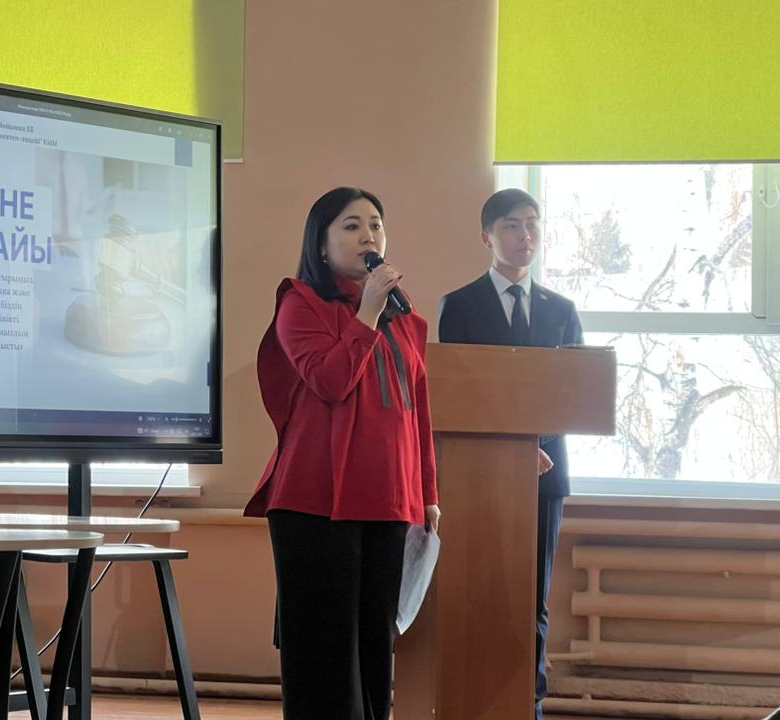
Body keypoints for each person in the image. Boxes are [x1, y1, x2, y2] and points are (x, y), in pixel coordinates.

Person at [245, 186, 440, 719]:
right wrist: (367, 314)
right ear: (321, 244)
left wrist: (427, 492)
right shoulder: (299, 304)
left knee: (375, 648)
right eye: (351, 226)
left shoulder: (407, 321)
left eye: (375, 224)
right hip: (316, 502)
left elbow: (417, 413)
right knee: (326, 654)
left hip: (388, 500)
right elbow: (331, 382)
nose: (368, 236)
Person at [437, 188, 584, 720]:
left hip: (546, 474)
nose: (526, 236)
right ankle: (476, 700)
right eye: (513, 226)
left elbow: (574, 392)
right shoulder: (459, 304)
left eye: (533, 224)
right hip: (479, 475)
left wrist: (533, 446)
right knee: (480, 590)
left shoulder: (562, 310)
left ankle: (529, 704)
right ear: (487, 236)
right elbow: (458, 394)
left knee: (532, 597)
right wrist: (511, 449)